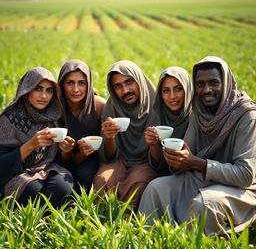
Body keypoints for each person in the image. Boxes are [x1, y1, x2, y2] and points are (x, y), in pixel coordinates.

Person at [138, 56, 256, 235]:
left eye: (214, 83)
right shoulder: (198, 111)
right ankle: (146, 240)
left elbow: (245, 175)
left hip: (238, 188)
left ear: (227, 83)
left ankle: (187, 242)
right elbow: (189, 152)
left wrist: (196, 163)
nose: (206, 90)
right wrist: (177, 159)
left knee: (205, 203)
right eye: (200, 84)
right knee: (156, 188)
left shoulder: (246, 116)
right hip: (202, 178)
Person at [0, 67, 74, 207]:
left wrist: (65, 150)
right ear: (27, 90)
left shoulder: (53, 115)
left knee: (63, 186)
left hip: (47, 168)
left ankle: (44, 219)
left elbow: (57, 158)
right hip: (16, 173)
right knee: (32, 189)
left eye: (49, 90)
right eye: (38, 89)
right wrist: (30, 145)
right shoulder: (8, 119)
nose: (44, 96)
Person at [93, 60, 159, 209]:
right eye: (118, 86)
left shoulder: (158, 106)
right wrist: (109, 138)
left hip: (146, 161)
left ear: (139, 80)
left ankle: (127, 227)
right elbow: (108, 156)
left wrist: (153, 144)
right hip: (119, 159)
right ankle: (101, 225)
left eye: (129, 82)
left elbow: (159, 160)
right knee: (102, 181)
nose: (125, 91)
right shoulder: (112, 107)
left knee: (138, 183)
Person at [58, 59, 105, 193]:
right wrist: (66, 151)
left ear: (89, 84)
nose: (76, 89)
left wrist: (85, 153)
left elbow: (107, 145)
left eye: (82, 83)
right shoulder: (56, 108)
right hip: (62, 158)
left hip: (93, 157)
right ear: (61, 84)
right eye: (70, 83)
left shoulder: (99, 106)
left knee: (84, 174)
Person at [144, 66, 192, 171]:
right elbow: (159, 166)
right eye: (166, 91)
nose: (172, 96)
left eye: (178, 89)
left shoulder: (198, 118)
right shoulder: (158, 115)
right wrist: (152, 145)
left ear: (187, 89)